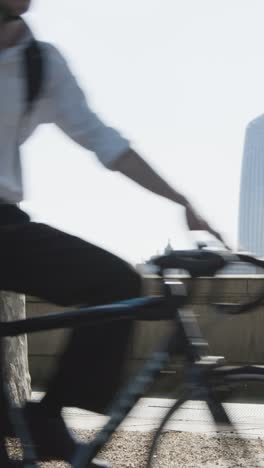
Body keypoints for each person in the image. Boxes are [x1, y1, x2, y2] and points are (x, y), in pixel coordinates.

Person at [0, 0, 227, 464]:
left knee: (116, 282)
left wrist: (181, 199)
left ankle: (47, 421)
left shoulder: (39, 62)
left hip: (4, 224)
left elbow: (104, 141)